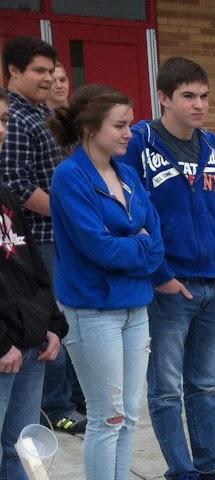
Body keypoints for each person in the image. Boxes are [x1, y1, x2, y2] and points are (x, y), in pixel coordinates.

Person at [124, 56, 215, 480]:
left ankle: (212, 465)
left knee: (204, 383)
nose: (199, 105)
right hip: (170, 287)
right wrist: (159, 276)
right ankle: (180, 472)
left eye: (204, 96)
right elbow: (131, 216)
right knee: (165, 387)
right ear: (164, 98)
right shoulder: (139, 143)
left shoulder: (213, 146)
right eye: (188, 96)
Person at [49, 84, 168, 480]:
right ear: (89, 127)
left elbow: (154, 240)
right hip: (93, 309)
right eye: (120, 125)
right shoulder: (70, 177)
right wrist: (136, 242)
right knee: (108, 414)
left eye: (130, 123)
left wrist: (135, 243)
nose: (130, 133)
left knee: (130, 411)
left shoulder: (129, 174)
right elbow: (96, 247)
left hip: (135, 305)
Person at [0, 88, 84, 480]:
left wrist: (52, 324)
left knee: (20, 453)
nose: (3, 128)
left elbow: (29, 265)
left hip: (29, 343)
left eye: (4, 119)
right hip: (4, 347)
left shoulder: (5, 194)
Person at [0, 36, 84, 435]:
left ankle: (59, 401)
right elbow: (16, 182)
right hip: (33, 238)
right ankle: (56, 406)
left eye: (52, 71)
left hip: (53, 237)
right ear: (13, 71)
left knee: (53, 321)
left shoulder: (38, 114)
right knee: (37, 325)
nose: (49, 78)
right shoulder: (15, 117)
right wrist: (71, 214)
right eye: (39, 71)